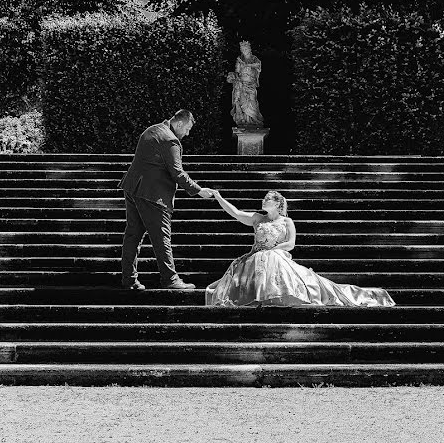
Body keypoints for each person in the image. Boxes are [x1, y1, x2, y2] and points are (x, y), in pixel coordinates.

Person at [205, 190, 396, 307]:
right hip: (256, 256)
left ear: (277, 204)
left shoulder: (287, 221)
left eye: (267, 199)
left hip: (276, 255)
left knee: (271, 259)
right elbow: (236, 213)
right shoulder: (257, 218)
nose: (263, 201)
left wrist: (273, 250)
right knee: (257, 260)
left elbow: (291, 244)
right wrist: (219, 197)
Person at [119, 110, 215, 290]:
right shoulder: (170, 139)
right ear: (179, 124)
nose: (187, 134)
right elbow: (177, 172)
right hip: (152, 194)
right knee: (161, 236)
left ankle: (129, 280)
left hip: (133, 188)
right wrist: (199, 190)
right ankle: (170, 279)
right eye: (186, 129)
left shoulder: (152, 130)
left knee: (133, 234)